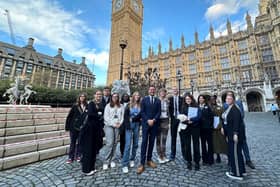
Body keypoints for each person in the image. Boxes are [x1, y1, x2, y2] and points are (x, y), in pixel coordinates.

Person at [223, 91, 255, 169]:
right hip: (229, 129)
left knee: (243, 143)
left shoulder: (238, 103)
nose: (228, 98)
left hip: (239, 127)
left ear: (233, 97)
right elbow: (224, 115)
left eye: (230, 96)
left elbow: (242, 115)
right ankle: (233, 160)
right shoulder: (225, 105)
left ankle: (248, 160)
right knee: (232, 145)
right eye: (227, 96)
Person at [137, 86, 161, 174]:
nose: (152, 91)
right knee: (144, 143)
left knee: (151, 142)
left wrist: (154, 120)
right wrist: (148, 120)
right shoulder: (144, 100)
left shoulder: (158, 100)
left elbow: (159, 112)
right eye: (151, 89)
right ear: (148, 91)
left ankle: (149, 160)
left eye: (153, 90)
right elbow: (142, 112)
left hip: (154, 124)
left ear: (155, 91)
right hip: (145, 124)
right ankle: (142, 163)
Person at [222, 93, 246, 180]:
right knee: (237, 153)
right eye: (227, 99)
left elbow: (236, 122)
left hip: (234, 134)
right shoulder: (230, 107)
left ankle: (237, 173)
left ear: (233, 100)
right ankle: (242, 170)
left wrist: (235, 133)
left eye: (229, 99)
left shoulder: (235, 109)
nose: (228, 100)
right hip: (231, 133)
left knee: (235, 153)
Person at [79, 91, 104, 176]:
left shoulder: (100, 104)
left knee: (93, 149)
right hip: (88, 130)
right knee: (88, 149)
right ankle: (86, 169)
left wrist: (99, 115)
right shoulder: (91, 104)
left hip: (95, 130)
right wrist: (99, 115)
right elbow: (90, 114)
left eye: (100, 95)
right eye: (97, 94)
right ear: (94, 95)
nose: (99, 96)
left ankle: (92, 167)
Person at [102, 93, 124, 170]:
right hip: (109, 126)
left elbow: (122, 116)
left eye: (117, 96)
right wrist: (114, 124)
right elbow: (106, 117)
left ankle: (112, 160)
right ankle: (106, 161)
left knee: (115, 143)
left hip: (117, 126)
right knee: (109, 143)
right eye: (114, 96)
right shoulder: (108, 106)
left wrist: (120, 123)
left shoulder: (121, 106)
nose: (115, 98)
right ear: (111, 97)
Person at [179, 94, 201, 170]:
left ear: (192, 99)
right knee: (187, 145)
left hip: (195, 128)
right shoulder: (183, 107)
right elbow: (181, 118)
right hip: (186, 128)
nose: (188, 100)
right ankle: (189, 161)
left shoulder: (196, 106)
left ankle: (197, 162)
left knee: (196, 145)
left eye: (189, 99)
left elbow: (199, 116)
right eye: (186, 99)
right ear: (185, 100)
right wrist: (187, 121)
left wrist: (192, 121)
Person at [121, 92, 141, 173]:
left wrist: (134, 119)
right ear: (133, 96)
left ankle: (132, 159)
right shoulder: (128, 105)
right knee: (128, 144)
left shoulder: (141, 105)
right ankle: (125, 164)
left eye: (138, 95)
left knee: (135, 144)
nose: (137, 96)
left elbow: (141, 115)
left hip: (137, 125)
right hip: (129, 126)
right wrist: (127, 125)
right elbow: (125, 116)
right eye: (136, 95)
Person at [65, 93, 87, 164]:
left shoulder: (87, 106)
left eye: (84, 96)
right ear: (79, 97)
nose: (82, 98)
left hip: (82, 127)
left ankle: (78, 155)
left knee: (80, 142)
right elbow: (69, 116)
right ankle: (70, 157)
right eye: (81, 96)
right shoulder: (75, 106)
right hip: (74, 127)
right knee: (73, 142)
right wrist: (67, 127)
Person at [210, 95, 228, 163]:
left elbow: (223, 118)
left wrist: (223, 127)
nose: (213, 100)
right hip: (211, 128)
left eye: (214, 99)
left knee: (223, 141)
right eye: (211, 99)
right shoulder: (209, 107)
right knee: (214, 143)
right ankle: (217, 156)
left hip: (219, 127)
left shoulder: (220, 107)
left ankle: (227, 155)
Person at [198, 95, 214, 165]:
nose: (201, 99)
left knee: (210, 144)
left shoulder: (207, 107)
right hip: (201, 129)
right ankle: (204, 160)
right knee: (203, 144)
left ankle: (210, 159)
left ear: (204, 99)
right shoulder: (197, 107)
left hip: (208, 128)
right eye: (199, 98)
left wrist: (210, 125)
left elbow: (211, 117)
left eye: (202, 98)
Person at [168, 88, 183, 161]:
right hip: (173, 119)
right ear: (172, 92)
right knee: (173, 137)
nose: (175, 91)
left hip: (180, 119)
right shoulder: (169, 99)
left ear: (178, 91)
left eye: (176, 90)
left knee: (182, 136)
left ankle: (184, 153)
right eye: (174, 90)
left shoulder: (181, 99)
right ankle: (172, 154)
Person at [156, 88, 170, 164]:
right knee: (158, 139)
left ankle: (163, 155)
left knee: (164, 139)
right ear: (159, 93)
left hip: (165, 120)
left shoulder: (167, 101)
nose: (163, 93)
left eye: (164, 92)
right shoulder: (156, 100)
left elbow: (169, 110)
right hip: (158, 121)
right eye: (161, 92)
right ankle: (159, 156)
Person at [119, 93, 130, 158]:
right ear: (122, 97)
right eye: (124, 96)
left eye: (126, 96)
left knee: (127, 140)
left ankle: (126, 152)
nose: (125, 97)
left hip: (128, 123)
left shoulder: (130, 103)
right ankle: (122, 152)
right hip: (122, 124)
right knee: (122, 140)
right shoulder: (120, 104)